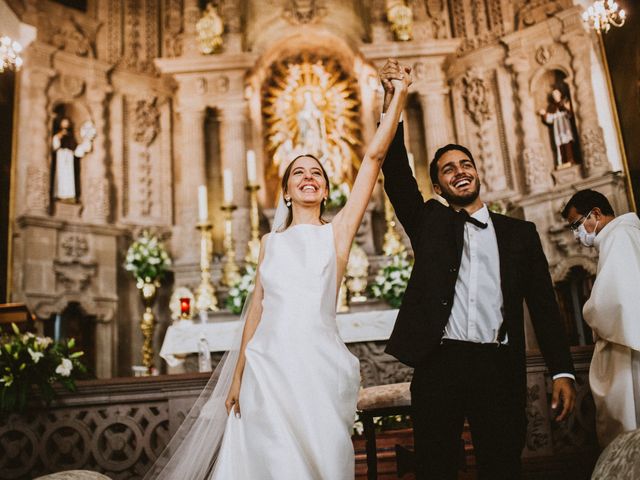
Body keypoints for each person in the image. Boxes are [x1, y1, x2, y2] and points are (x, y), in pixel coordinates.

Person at [146, 61, 411, 480]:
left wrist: (397, 95)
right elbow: (256, 310)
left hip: (316, 364)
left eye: (317, 174)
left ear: (325, 189)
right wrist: (236, 378)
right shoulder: (271, 243)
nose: (309, 178)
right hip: (266, 368)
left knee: (320, 461)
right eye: (299, 174)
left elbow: (374, 157)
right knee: (269, 463)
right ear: (285, 191)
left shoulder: (338, 233)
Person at [380, 59, 576, 480]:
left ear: (477, 172)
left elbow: (544, 306)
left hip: (497, 365)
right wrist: (394, 97)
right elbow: (395, 173)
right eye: (449, 169)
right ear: (438, 187)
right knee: (437, 468)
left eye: (465, 164)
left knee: (502, 464)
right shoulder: (428, 222)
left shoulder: (519, 234)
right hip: (440, 363)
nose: (460, 172)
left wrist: (562, 369)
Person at [562, 189, 640, 447]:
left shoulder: (618, 236)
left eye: (577, 224)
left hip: (627, 350)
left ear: (595, 214)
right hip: (627, 340)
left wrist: (589, 310)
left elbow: (613, 302)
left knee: (627, 432)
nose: (576, 234)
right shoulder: (628, 233)